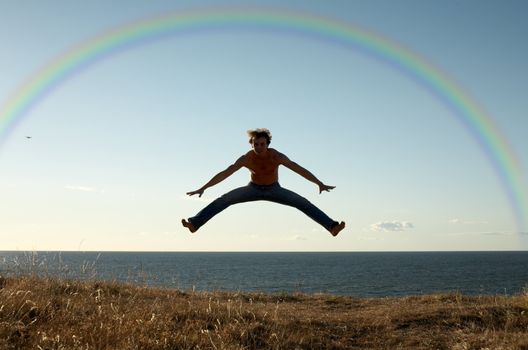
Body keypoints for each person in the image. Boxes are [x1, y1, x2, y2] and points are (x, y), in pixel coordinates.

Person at [182, 128, 345, 236]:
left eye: (262, 144)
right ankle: (195, 224)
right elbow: (226, 173)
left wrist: (319, 183)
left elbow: (298, 168)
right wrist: (203, 188)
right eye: (256, 144)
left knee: (302, 202)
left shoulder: (277, 156)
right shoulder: (247, 158)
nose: (259, 147)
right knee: (224, 200)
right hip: (252, 189)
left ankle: (332, 227)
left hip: (274, 189)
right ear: (251, 144)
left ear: (267, 144)